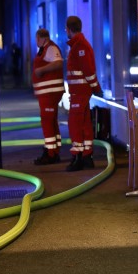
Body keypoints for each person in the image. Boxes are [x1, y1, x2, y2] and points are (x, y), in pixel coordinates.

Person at [65, 15, 103, 172]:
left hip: (80, 93)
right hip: (81, 93)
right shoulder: (79, 45)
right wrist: (94, 88)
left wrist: (96, 87)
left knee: (75, 124)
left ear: (69, 29)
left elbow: (88, 70)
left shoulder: (79, 46)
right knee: (85, 123)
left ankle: (78, 156)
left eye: (66, 29)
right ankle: (87, 156)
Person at [32, 28, 65, 165]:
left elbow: (58, 63)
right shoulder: (44, 49)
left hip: (50, 93)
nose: (36, 42)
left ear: (42, 38)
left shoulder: (51, 48)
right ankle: (54, 150)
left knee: (47, 122)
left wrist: (41, 70)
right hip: (47, 93)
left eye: (37, 39)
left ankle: (51, 153)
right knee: (51, 121)